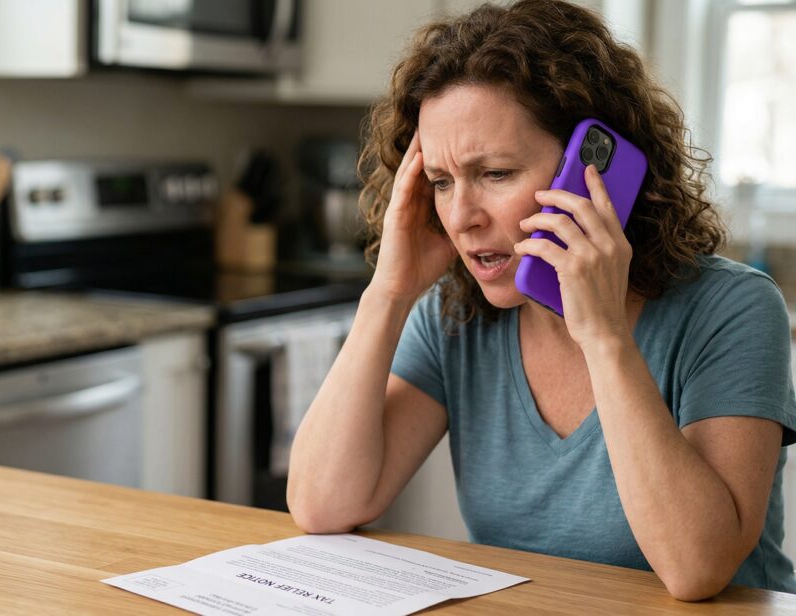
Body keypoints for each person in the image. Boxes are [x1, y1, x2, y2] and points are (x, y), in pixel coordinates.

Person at [285, 0, 796, 601]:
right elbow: (323, 504)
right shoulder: (455, 314)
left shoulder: (732, 309)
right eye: (442, 183)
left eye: (496, 173)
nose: (461, 218)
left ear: (592, 171)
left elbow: (696, 568)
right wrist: (388, 292)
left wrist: (603, 335)